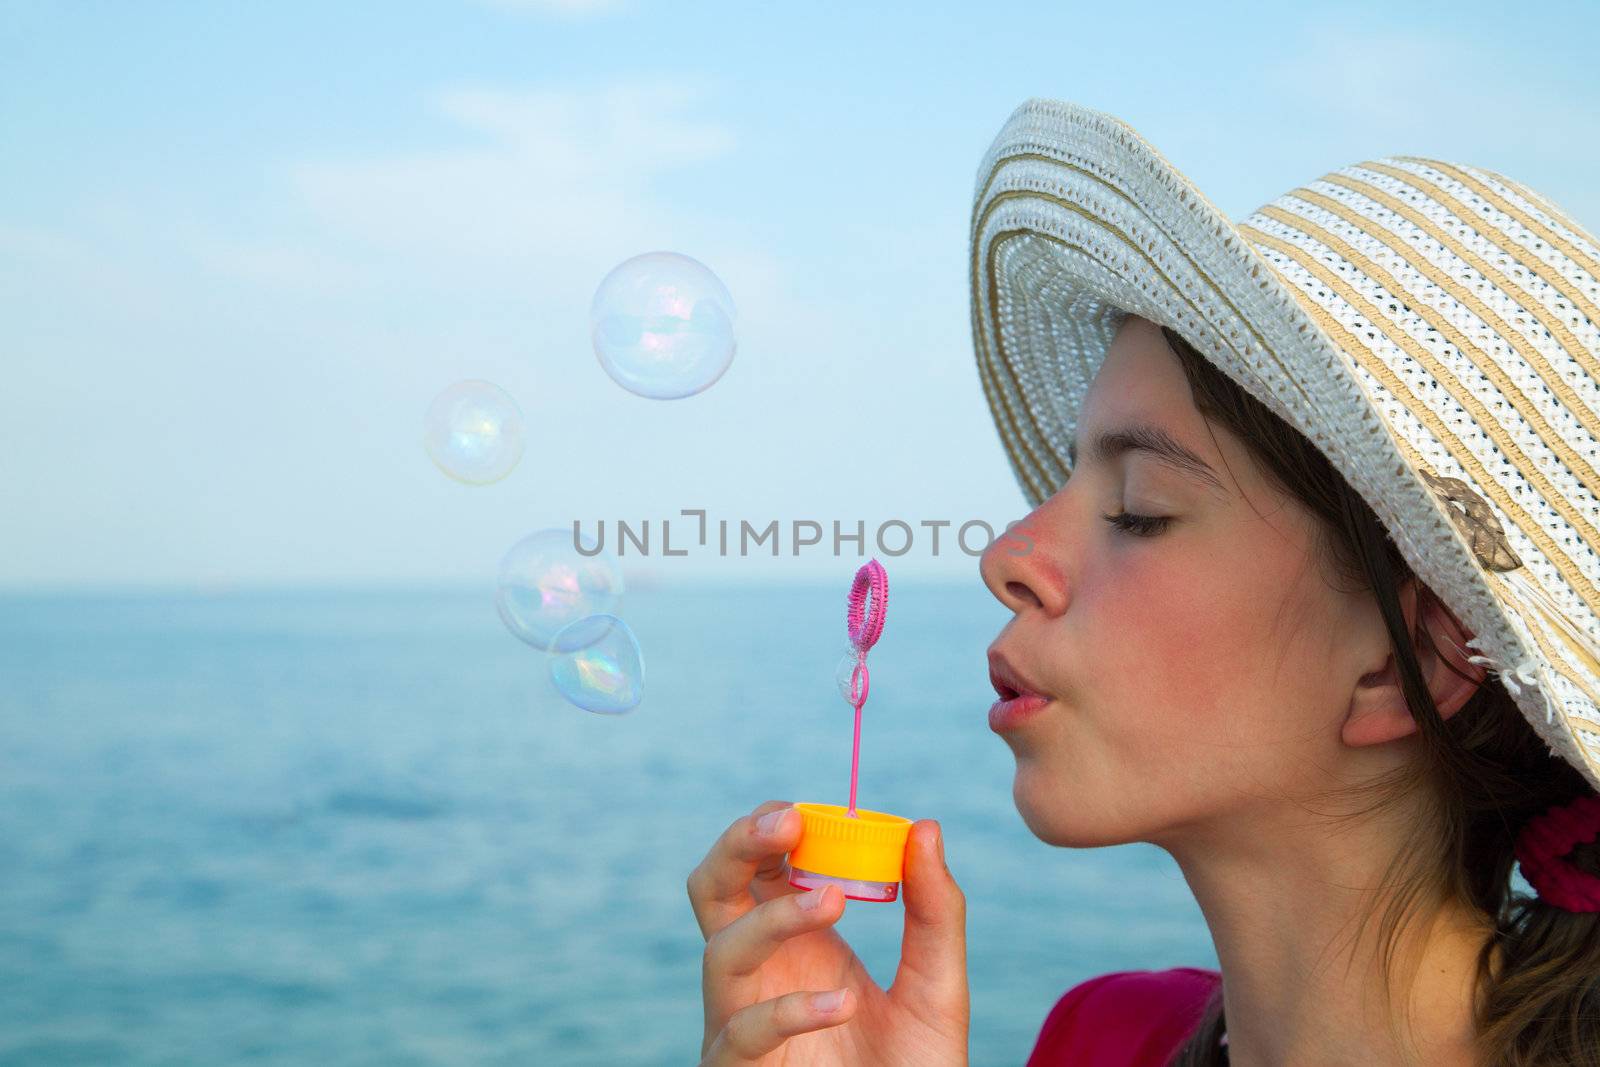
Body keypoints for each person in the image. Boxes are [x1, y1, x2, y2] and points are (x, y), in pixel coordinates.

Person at [688, 98, 1600, 1065]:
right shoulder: (1097, 1037)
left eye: (1139, 509)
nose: (1005, 556)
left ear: (1402, 658)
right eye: (1064, 479)